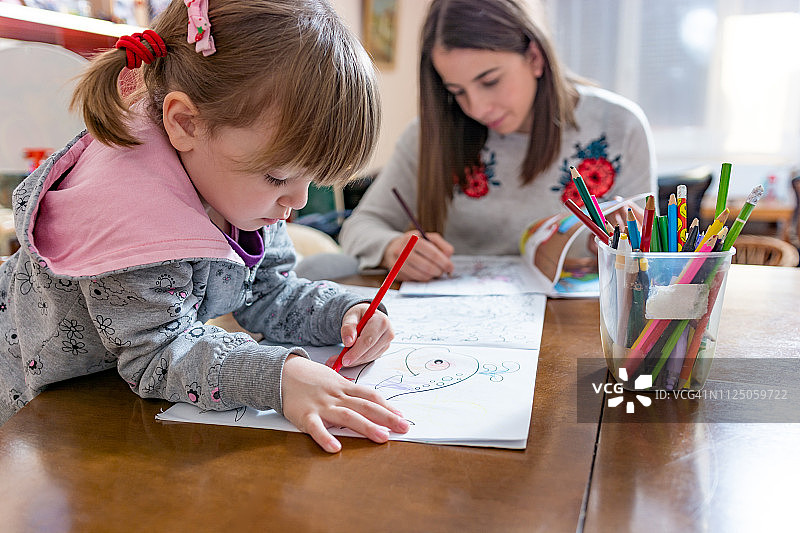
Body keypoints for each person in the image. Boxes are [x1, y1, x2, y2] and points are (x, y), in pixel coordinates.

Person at [0, 0, 410, 453]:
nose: (298, 201)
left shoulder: (240, 189)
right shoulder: (131, 217)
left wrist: (345, 313)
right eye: (277, 176)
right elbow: (158, 353)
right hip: (25, 404)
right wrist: (280, 377)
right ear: (185, 123)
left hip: (97, 399)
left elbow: (267, 294)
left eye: (309, 179)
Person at [339, 0, 656, 281]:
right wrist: (392, 249)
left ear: (534, 56)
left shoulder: (619, 126)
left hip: (575, 320)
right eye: (456, 91)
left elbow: (643, 257)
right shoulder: (429, 135)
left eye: (490, 81)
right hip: (460, 323)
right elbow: (360, 226)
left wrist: (619, 244)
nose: (476, 108)